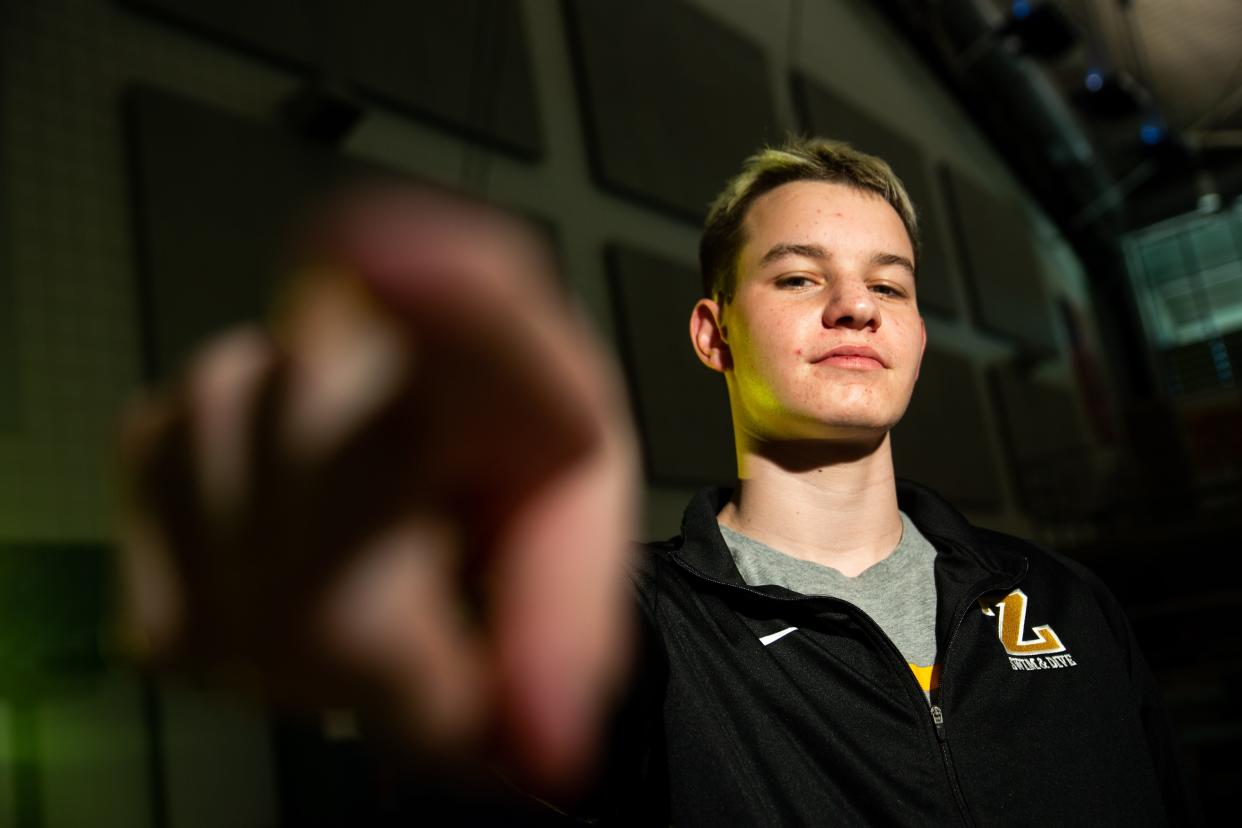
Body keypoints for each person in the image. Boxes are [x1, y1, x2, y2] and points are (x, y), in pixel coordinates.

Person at [118, 139, 1192, 824]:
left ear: (914, 334)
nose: (855, 307)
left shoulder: (1066, 606)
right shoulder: (628, 633)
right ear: (712, 334)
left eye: (889, 284)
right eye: (800, 276)